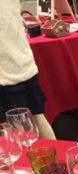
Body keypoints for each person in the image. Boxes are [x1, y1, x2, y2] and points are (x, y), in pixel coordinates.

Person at [0, 0, 55, 138]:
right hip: (20, 61)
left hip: (9, 68)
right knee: (36, 120)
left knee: (20, 132)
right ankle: (54, 156)